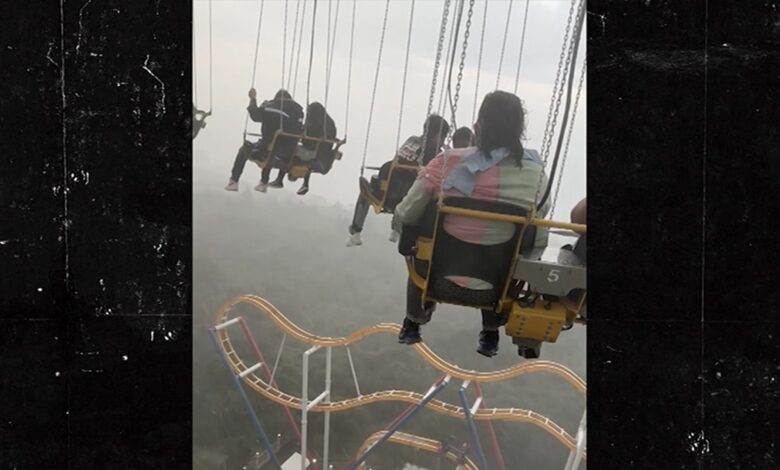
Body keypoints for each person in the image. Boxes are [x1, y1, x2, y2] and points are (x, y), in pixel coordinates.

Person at [393, 90, 550, 358]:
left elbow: (407, 211)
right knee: (506, 252)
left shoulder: (448, 161)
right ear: (519, 132)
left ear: (478, 127)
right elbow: (540, 220)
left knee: (418, 239)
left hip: (437, 280)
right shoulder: (535, 174)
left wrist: (403, 227)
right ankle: (490, 330)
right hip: (497, 289)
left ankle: (413, 320)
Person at [345, 114, 450, 247]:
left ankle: (356, 231)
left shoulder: (411, 140)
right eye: (443, 137)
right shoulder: (434, 154)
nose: (443, 141)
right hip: (403, 197)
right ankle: (396, 228)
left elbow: (398, 159)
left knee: (371, 187)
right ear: (437, 135)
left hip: (387, 190)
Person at [224, 88, 303, 192]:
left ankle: (233, 181)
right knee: (272, 145)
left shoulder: (272, 107)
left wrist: (253, 98)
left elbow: (255, 115)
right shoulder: (299, 113)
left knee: (245, 150)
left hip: (268, 151)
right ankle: (263, 182)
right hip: (288, 154)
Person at [291, 102, 338, 195]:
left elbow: (307, 134)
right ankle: (304, 182)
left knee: (292, 150)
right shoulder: (330, 122)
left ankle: (287, 175)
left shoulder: (314, 121)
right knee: (305, 156)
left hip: (313, 152)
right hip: (324, 154)